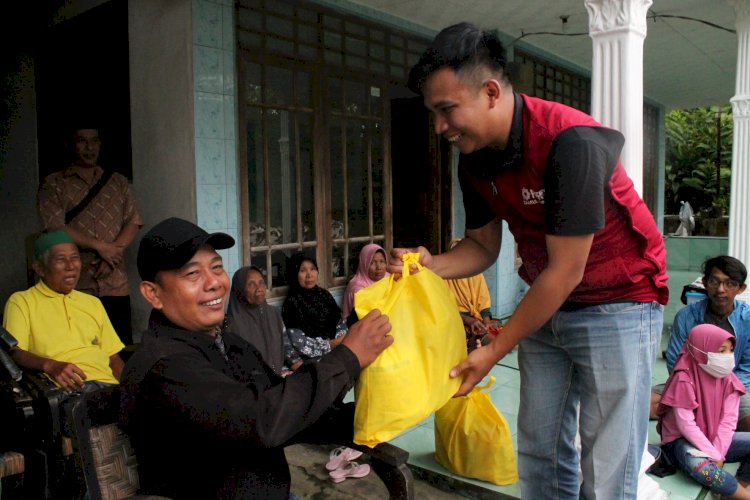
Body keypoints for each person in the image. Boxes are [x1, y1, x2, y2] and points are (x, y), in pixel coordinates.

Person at [397, 22, 668, 498]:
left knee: (605, 463)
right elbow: (483, 247)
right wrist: (428, 264)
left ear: (491, 91)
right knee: (540, 447)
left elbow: (566, 270)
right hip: (549, 299)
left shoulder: (572, 143)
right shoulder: (475, 156)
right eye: (433, 114)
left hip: (620, 299)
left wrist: (494, 349)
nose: (440, 128)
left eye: (446, 110)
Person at [119, 217, 392, 498]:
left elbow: (285, 407)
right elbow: (262, 420)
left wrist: (372, 417)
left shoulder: (229, 343)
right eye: (192, 274)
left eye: (216, 267)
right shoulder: (164, 367)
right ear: (153, 294)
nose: (214, 283)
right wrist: (347, 358)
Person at [38, 125, 143, 346]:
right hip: (76, 282)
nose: (89, 148)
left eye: (94, 141)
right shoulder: (54, 184)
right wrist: (101, 247)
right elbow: (55, 227)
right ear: (69, 145)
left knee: (119, 347)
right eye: (81, 141)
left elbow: (133, 221)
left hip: (114, 281)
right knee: (81, 349)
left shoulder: (118, 182)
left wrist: (112, 254)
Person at [3, 231, 124, 391]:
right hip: (65, 391)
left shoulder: (92, 303)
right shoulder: (22, 301)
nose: (70, 266)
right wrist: (50, 366)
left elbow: (112, 356)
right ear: (40, 268)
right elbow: (14, 352)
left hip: (108, 387)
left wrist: (131, 390)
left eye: (75, 258)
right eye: (61, 259)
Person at [656, 324, 750, 499]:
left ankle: (735, 486)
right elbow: (686, 425)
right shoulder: (684, 378)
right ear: (701, 349)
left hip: (714, 438)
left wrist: (718, 453)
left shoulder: (729, 379)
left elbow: (728, 421)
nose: (728, 357)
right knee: (704, 469)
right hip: (681, 442)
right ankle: (743, 495)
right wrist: (714, 455)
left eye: (730, 351)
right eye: (721, 351)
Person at [663, 256, 750, 430]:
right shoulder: (686, 316)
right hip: (689, 388)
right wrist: (698, 391)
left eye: (730, 283)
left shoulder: (747, 319)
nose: (721, 289)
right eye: (714, 281)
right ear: (704, 282)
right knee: (644, 402)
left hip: (733, 389)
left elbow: (747, 367)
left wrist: (720, 392)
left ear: (741, 288)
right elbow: (675, 361)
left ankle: (725, 440)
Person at [226, 265, 330, 374]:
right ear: (239, 291)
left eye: (261, 282)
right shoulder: (231, 325)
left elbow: (287, 349)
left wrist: (306, 372)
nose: (259, 288)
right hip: (254, 385)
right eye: (251, 284)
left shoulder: (273, 314)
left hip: (279, 378)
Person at [444, 238, 499, 349]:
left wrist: (486, 322)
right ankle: (491, 345)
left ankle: (489, 342)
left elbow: (483, 300)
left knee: (494, 330)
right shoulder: (444, 277)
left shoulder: (475, 273)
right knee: (475, 333)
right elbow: (444, 308)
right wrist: (468, 320)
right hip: (456, 319)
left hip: (476, 317)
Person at [282, 253, 347, 342]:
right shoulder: (291, 303)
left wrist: (340, 339)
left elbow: (339, 322)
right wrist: (329, 345)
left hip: (336, 346)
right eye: (303, 270)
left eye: (313, 269)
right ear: (294, 274)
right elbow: (298, 341)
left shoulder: (324, 295)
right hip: (313, 354)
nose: (309, 275)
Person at [341, 243, 389, 322]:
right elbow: (362, 318)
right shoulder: (357, 288)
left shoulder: (388, 278)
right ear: (364, 264)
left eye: (382, 261)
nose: (379, 267)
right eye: (372, 263)